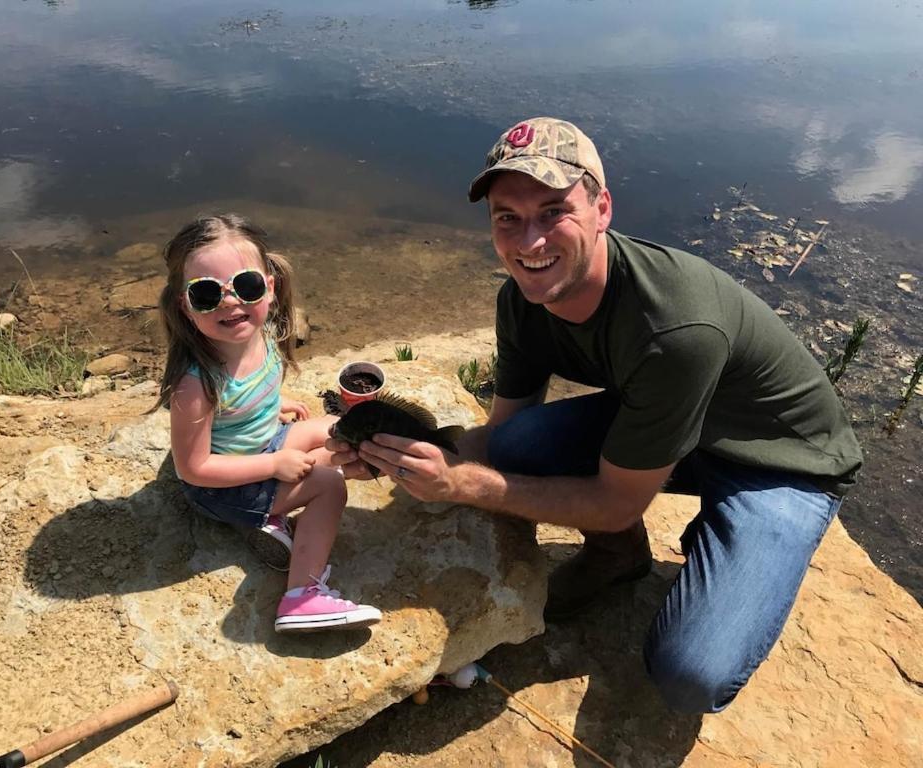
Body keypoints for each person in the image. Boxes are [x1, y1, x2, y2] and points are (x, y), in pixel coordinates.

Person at [328, 117, 862, 711]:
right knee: (519, 445)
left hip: (780, 461)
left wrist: (461, 484)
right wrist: (396, 455)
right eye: (508, 216)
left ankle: (728, 534)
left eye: (555, 211)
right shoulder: (523, 300)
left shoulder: (676, 328)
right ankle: (620, 558)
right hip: (670, 421)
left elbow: (614, 503)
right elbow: (502, 433)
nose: (529, 242)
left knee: (692, 676)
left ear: (602, 207)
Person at [153, 214, 380, 633]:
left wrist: (270, 405)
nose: (231, 302)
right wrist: (274, 467)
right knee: (330, 484)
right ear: (186, 306)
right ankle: (301, 597)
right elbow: (194, 469)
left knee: (330, 427)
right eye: (207, 294)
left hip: (258, 444)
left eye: (247, 285)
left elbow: (249, 392)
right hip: (222, 487)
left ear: (270, 288)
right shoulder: (196, 383)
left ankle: (271, 519)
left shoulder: (261, 334)